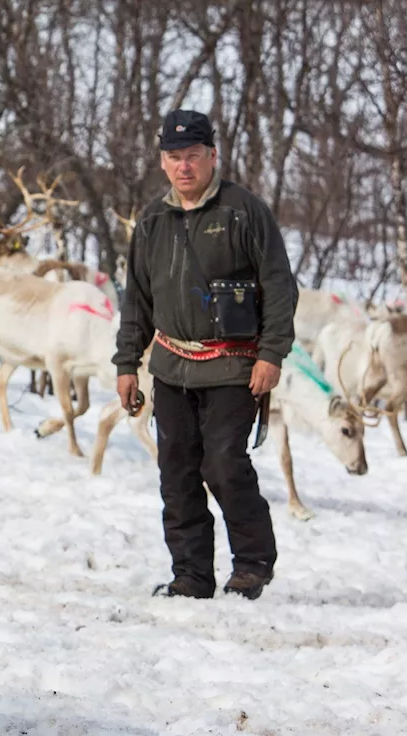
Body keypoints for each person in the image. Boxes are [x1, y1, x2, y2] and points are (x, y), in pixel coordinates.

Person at [113, 109, 298, 601]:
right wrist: (127, 363)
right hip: (171, 365)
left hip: (235, 365)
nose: (184, 166)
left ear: (212, 156)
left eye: (193, 155)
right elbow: (138, 298)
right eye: (174, 157)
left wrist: (272, 354)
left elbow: (279, 285)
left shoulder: (244, 210)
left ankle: (253, 564)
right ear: (163, 162)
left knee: (223, 464)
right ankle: (192, 576)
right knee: (175, 471)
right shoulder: (152, 220)